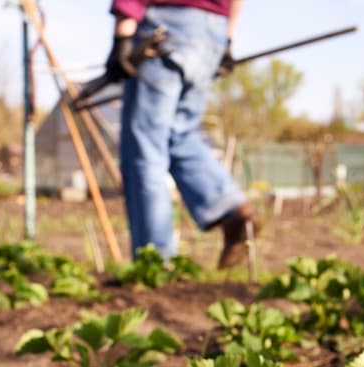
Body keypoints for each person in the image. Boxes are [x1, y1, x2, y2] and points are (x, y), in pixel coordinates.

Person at [105, 0, 260, 269]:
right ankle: (231, 209)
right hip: (212, 32)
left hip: (165, 27)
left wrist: (123, 32)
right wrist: (227, 38)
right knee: (180, 134)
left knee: (145, 147)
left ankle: (154, 263)